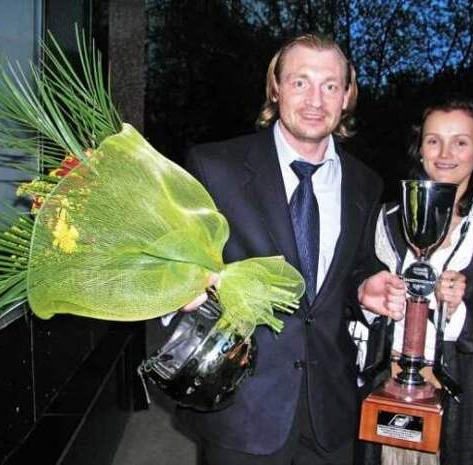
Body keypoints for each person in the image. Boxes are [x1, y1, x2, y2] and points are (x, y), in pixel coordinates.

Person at [177, 34, 397, 465]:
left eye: (330, 85)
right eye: (300, 82)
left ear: (347, 96)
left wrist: (363, 287)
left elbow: (352, 268)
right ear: (275, 88)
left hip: (330, 410)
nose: (315, 99)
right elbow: (175, 263)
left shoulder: (365, 183)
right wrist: (180, 290)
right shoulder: (214, 167)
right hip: (242, 407)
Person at [358, 95, 473, 465]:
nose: (445, 153)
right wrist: (366, 297)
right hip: (384, 389)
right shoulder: (382, 220)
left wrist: (459, 313)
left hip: (461, 406)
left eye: (460, 142)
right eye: (433, 140)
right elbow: (344, 291)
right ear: (420, 150)